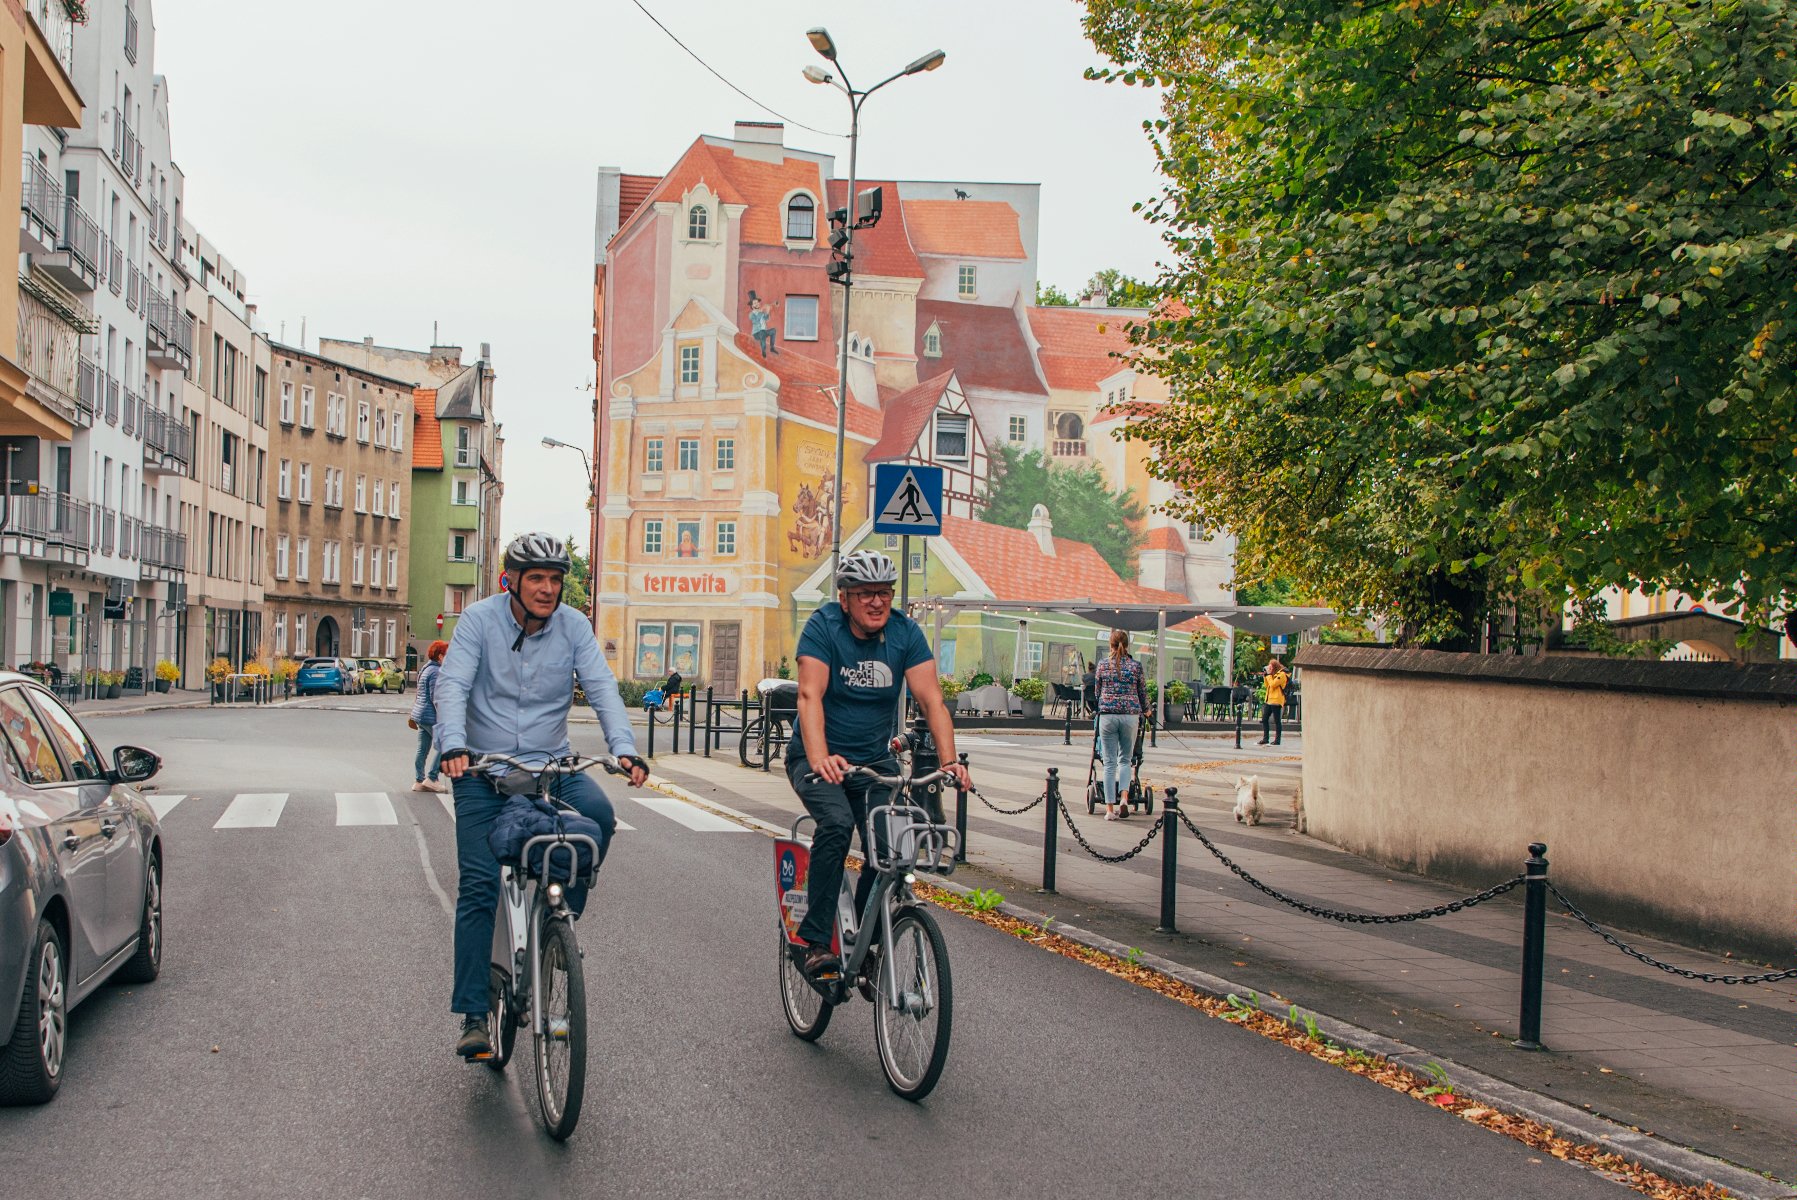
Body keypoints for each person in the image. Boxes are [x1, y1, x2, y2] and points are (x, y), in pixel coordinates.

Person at [433, 532, 650, 1059]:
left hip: (551, 767)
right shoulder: (479, 622)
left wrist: (624, 749)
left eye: (555, 580)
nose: (548, 589)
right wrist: (454, 744)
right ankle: (474, 1014)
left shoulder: (574, 626)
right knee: (480, 886)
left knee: (599, 817)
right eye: (537, 579)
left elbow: (600, 687)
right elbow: (454, 685)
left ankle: (558, 923)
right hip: (483, 770)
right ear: (511, 580)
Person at [787, 550, 970, 982]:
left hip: (873, 763)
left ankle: (865, 942)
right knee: (835, 825)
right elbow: (810, 696)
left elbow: (932, 700)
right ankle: (815, 943)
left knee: (889, 848)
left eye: (884, 593)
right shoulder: (823, 627)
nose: (876, 602)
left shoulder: (905, 634)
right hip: (819, 758)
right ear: (845, 598)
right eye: (865, 593)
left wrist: (949, 761)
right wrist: (819, 757)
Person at [1093, 629, 1147, 820]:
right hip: (1130, 716)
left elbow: (1096, 692)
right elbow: (1142, 692)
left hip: (1107, 716)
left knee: (1109, 763)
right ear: (1127, 645)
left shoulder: (1102, 665)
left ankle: (1109, 810)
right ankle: (1124, 798)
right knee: (1126, 760)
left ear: (1111, 645)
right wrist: (1147, 710)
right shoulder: (1136, 666)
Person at [407, 639, 449, 793]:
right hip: (431, 716)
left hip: (421, 714)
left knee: (422, 748)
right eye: (447, 655)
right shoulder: (437, 672)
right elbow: (436, 697)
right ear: (440, 656)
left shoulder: (425, 669)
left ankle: (419, 781)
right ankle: (432, 778)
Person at [1258, 658, 1290, 746]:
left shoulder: (1282, 674)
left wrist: (1268, 675)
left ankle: (1277, 740)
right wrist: (1265, 676)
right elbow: (1267, 685)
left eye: (1271, 667)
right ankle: (1265, 738)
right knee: (1264, 719)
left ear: (1275, 667)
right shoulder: (1272, 675)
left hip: (1276, 700)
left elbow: (1273, 684)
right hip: (1269, 700)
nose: (1270, 669)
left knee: (1277, 721)